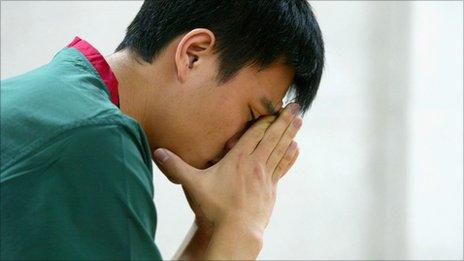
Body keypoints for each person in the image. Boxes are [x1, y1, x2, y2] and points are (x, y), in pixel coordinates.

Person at [0, 0, 324, 259]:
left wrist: (211, 228)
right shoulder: (96, 139)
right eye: (252, 115)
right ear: (193, 55)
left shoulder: (68, 103)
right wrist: (243, 228)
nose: (241, 146)